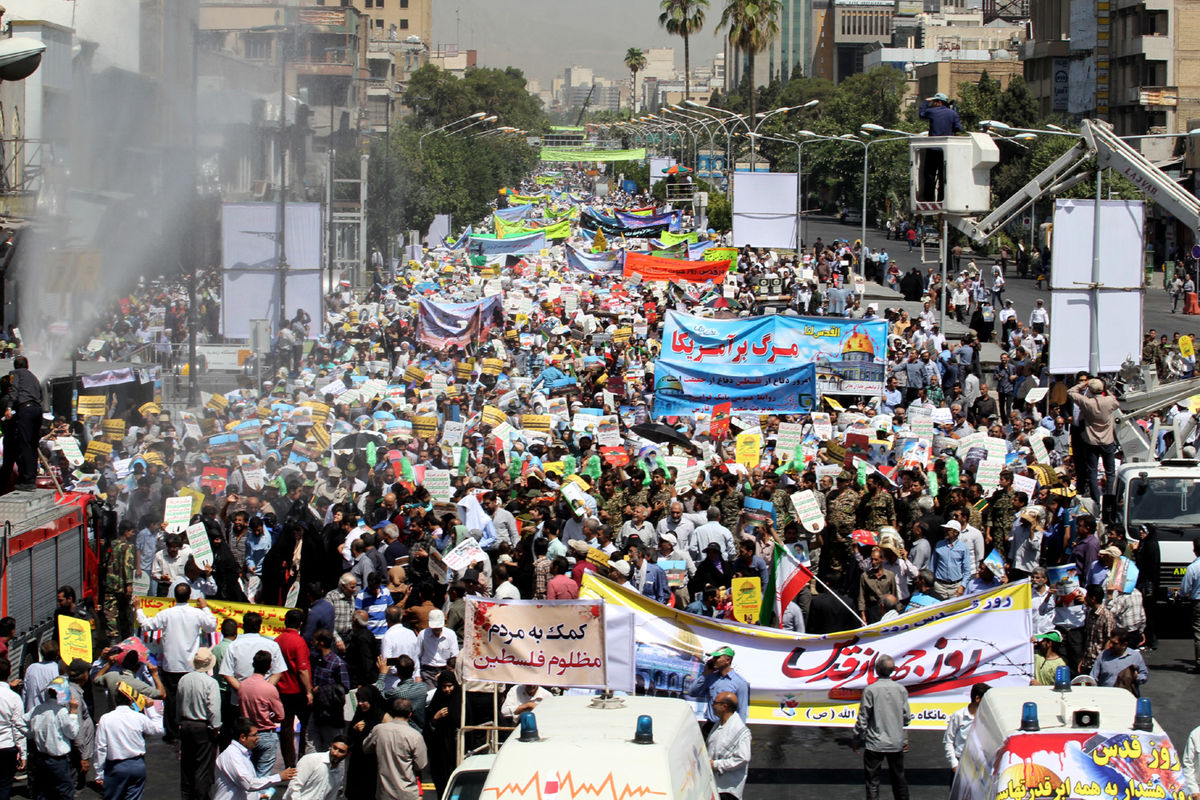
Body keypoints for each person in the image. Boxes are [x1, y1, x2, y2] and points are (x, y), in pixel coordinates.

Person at [135, 583, 216, 743]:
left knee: (171, 701)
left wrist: (138, 608)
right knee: (192, 699)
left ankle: (172, 733)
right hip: (191, 667)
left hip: (171, 665)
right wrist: (206, 608)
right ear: (189, 595)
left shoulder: (166, 614)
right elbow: (212, 626)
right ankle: (189, 730)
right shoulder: (196, 613)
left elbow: (146, 626)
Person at [852, 654, 912, 800]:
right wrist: (904, 739)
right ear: (892, 671)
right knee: (899, 779)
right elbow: (906, 718)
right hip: (896, 742)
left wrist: (856, 738)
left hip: (875, 744)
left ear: (877, 670)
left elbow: (863, 717)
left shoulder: (870, 690)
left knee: (873, 782)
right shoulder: (901, 690)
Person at [94, 682, 164, 800]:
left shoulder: (106, 719)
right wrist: (151, 708)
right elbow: (159, 730)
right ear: (131, 701)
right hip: (137, 765)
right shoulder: (139, 717)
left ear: (115, 700)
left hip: (116, 767)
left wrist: (99, 773)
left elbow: (101, 747)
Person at [213, 718, 296, 800]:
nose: (258, 737)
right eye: (254, 735)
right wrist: (279, 777)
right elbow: (248, 783)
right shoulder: (232, 755)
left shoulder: (243, 754)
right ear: (242, 737)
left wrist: (257, 796)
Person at [178, 647, 221, 800]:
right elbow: (214, 709)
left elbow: (179, 702)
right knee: (203, 768)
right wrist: (216, 727)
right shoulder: (210, 683)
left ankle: (187, 796)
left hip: (186, 724)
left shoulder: (184, 679)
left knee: (187, 766)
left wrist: (179, 723)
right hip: (202, 727)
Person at [363, 698, 428, 800]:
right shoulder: (415, 736)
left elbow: (366, 748)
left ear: (392, 713)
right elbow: (421, 764)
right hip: (408, 792)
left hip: (384, 792)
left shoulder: (378, 730)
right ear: (410, 714)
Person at [26, 685, 79, 800]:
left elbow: (21, 722)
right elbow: (72, 733)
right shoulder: (61, 712)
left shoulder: (37, 709)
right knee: (64, 790)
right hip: (57, 759)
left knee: (43, 791)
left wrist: (30, 734)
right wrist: (73, 712)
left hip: (40, 757)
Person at [237, 650, 284, 778]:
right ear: (269, 667)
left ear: (253, 664)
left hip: (247, 735)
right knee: (263, 777)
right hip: (266, 734)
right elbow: (281, 716)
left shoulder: (243, 686)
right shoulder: (269, 689)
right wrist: (270, 715)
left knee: (248, 774)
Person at [2, 355, 43, 491]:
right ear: (27, 365)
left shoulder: (15, 374)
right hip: (37, 410)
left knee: (25, 444)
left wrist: (9, 407)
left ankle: (27, 481)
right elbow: (40, 395)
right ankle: (30, 479)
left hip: (25, 409)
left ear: (15, 366)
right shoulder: (34, 377)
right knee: (32, 445)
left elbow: (14, 390)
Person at [686, 646, 750, 731]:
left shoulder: (740, 683)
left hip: (726, 727)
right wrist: (705, 674)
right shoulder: (710, 677)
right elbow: (692, 692)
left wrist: (738, 734)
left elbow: (742, 711)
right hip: (709, 726)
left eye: (717, 658)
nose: (713, 660)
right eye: (713, 657)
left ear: (728, 660)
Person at [706, 692, 751, 800]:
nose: (712, 705)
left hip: (727, 790)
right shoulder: (719, 724)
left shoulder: (740, 731)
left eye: (715, 702)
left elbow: (743, 758)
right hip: (715, 785)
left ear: (724, 706)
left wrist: (716, 765)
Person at [282, 737, 349, 800]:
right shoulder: (311, 760)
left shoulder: (338, 775)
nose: (335, 753)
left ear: (348, 754)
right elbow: (294, 787)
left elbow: (330, 798)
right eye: (334, 748)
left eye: (341, 751)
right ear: (331, 746)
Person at [944, 683, 989, 772]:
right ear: (977, 699)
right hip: (961, 764)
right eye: (986, 700)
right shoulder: (958, 716)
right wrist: (954, 764)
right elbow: (948, 741)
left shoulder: (988, 718)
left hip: (979, 767)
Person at [0, 658, 24, 800]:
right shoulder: (14, 698)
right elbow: (18, 727)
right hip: (6, 746)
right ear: (10, 672)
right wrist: (23, 753)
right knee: (4, 785)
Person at [1178, 538, 1200, 673]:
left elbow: (1185, 589)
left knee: (1199, 632)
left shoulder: (1193, 568)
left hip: (1198, 602)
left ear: (1194, 550)